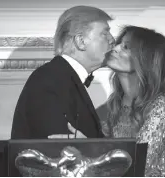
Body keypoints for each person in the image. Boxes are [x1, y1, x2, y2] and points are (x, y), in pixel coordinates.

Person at [101, 25, 165, 176]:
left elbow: (138, 164)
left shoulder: (161, 106)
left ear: (145, 59)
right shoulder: (117, 103)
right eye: (119, 43)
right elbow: (112, 152)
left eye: (126, 47)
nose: (115, 48)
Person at [11, 6, 115, 139]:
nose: (112, 40)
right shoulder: (49, 80)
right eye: (105, 34)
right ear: (80, 41)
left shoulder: (57, 77)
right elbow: (58, 150)